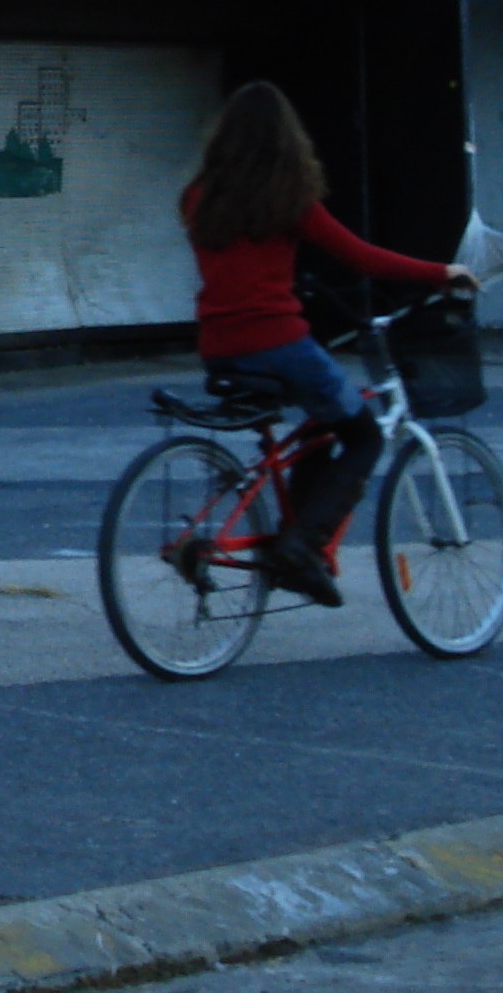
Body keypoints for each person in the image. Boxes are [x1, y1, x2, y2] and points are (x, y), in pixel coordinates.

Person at [179, 81, 475, 607]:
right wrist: (441, 273)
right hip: (280, 343)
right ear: (287, 141)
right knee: (363, 435)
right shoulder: (288, 198)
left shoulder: (196, 198)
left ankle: (294, 543)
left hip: (218, 347)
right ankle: (301, 544)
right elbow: (361, 257)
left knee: (322, 424)